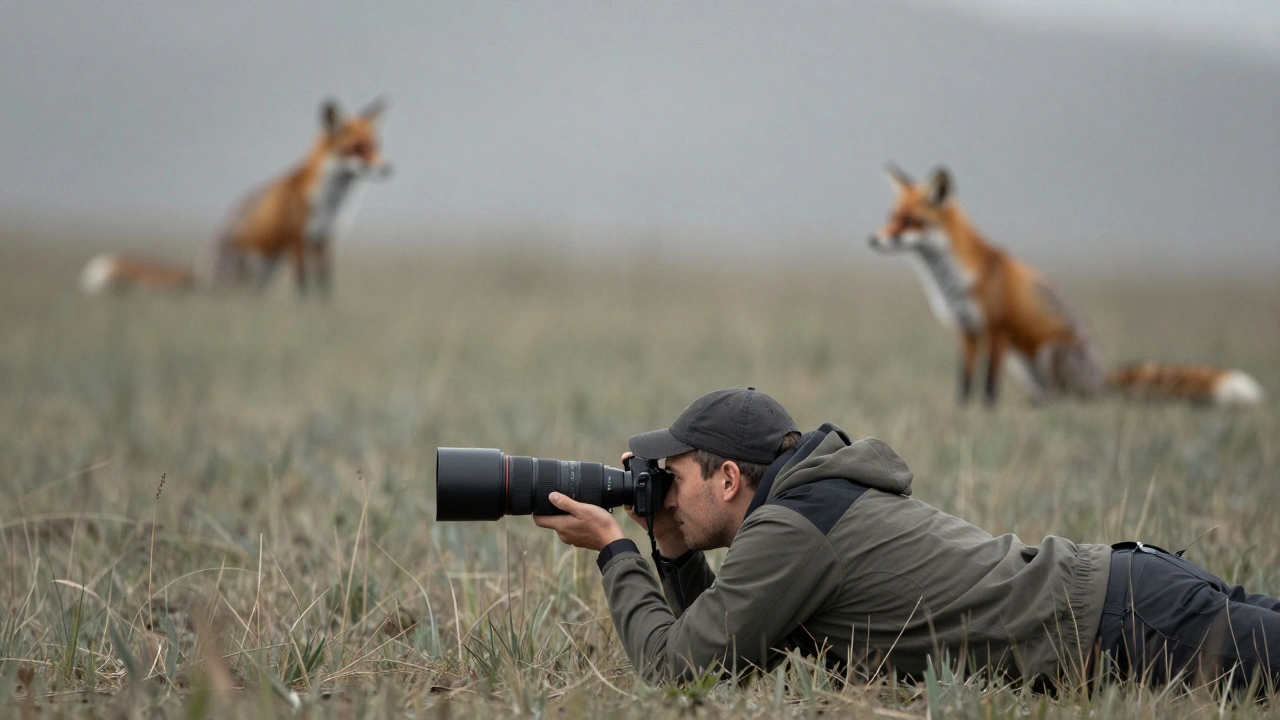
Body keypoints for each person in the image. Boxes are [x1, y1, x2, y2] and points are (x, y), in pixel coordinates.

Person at [533, 387, 1280, 691]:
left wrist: (613, 549)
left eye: (676, 476)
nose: (664, 488)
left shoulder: (793, 532)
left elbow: (678, 670)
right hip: (1128, 597)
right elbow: (722, 639)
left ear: (728, 478)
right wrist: (668, 545)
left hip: (1125, 630)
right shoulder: (808, 505)